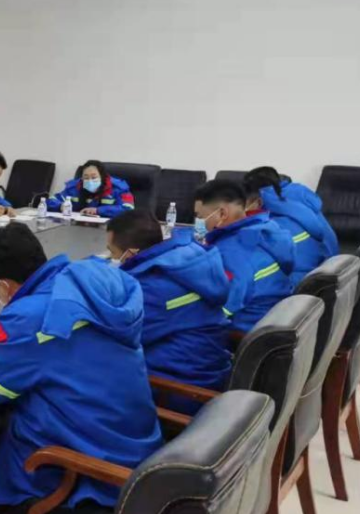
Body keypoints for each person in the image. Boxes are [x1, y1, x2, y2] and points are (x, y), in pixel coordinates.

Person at [0, 225, 161, 514]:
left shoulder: (32, 314)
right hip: (132, 443)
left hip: (86, 469)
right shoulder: (96, 281)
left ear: (2, 285)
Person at [107, 210, 232, 398]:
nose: (111, 259)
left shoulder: (152, 287)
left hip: (180, 387)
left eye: (112, 252)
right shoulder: (184, 260)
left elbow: (119, 338)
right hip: (206, 369)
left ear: (131, 254)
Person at [195, 179, 295, 332]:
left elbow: (221, 310)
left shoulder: (231, 251)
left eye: (200, 216)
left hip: (246, 329)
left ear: (222, 213)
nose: (198, 222)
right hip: (270, 318)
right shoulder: (264, 230)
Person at [244, 167, 338, 284]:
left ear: (258, 200)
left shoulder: (280, 223)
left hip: (308, 279)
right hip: (329, 264)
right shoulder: (298, 198)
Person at [48, 159, 134, 218]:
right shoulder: (75, 187)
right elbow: (51, 200)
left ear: (102, 177)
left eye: (94, 177)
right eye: (86, 177)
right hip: (78, 228)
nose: (89, 181)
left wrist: (98, 211)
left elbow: (128, 209)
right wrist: (60, 206)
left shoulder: (118, 188)